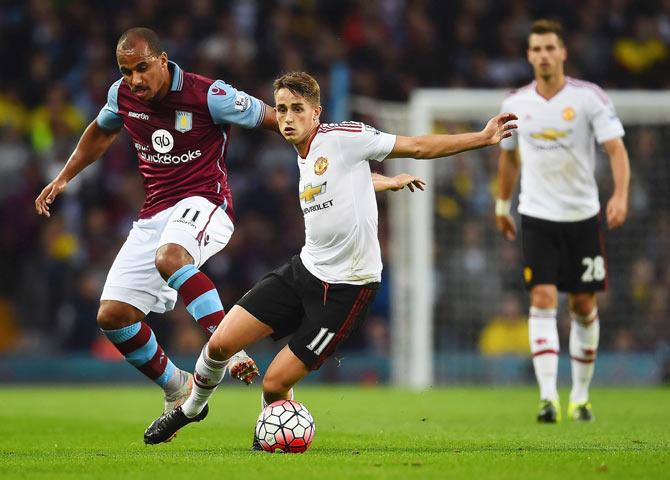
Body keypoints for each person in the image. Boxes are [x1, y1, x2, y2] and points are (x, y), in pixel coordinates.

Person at [143, 71, 517, 446]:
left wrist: (482, 138)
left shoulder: (343, 137)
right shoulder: (303, 153)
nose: (287, 118)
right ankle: (190, 410)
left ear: (316, 112)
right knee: (220, 342)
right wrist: (384, 182)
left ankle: (270, 440)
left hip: (347, 290)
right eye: (282, 109)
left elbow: (417, 146)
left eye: (297, 109)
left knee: (274, 385)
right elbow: (345, 181)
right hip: (305, 270)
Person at [34, 27, 278, 416]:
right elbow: (101, 130)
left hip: (206, 202)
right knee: (113, 316)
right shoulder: (122, 94)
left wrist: (319, 146)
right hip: (155, 213)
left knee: (171, 257)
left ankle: (229, 348)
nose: (134, 79)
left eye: (142, 68)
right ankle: (175, 385)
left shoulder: (209, 95)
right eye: (126, 70)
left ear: (163, 61)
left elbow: (273, 117)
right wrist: (64, 176)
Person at [494, 19, 631, 423]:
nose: (543, 55)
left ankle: (582, 396)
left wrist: (620, 195)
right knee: (542, 299)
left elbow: (616, 150)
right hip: (537, 215)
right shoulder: (514, 104)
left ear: (563, 52)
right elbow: (509, 157)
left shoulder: (590, 98)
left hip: (582, 217)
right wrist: (502, 205)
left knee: (584, 304)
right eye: (536, 49)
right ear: (529, 55)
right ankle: (548, 397)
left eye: (550, 47)